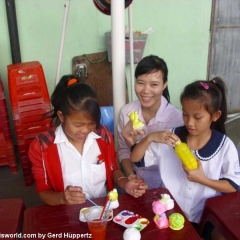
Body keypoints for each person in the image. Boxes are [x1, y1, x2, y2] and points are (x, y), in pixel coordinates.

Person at [131, 77, 240, 239]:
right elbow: (135, 158)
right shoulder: (169, 137)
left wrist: (202, 179)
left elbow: (233, 186)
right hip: (169, 214)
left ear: (215, 116)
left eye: (197, 117)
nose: (190, 123)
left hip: (206, 217)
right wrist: (150, 137)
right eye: (185, 114)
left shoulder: (225, 146)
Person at [28, 74, 147, 205]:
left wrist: (125, 184)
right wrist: (63, 198)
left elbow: (113, 170)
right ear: (61, 116)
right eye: (78, 125)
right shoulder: (42, 146)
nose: (85, 130)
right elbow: (43, 192)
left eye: (91, 123)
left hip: (104, 210)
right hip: (68, 214)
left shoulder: (103, 135)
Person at [118, 55, 184, 189]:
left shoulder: (175, 119)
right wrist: (130, 175)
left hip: (166, 186)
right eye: (140, 83)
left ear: (164, 84)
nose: (146, 91)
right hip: (134, 183)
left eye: (154, 84)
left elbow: (173, 162)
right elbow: (123, 150)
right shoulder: (126, 112)